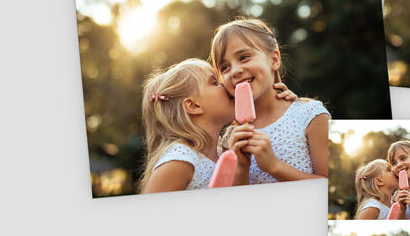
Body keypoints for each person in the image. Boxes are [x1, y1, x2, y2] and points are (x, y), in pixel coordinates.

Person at [211, 18, 329, 184]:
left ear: (274, 59)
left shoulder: (310, 116)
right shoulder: (231, 138)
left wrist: (274, 166)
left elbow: (327, 185)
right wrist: (241, 168)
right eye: (224, 68)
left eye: (244, 57)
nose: (235, 71)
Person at [139, 59, 235, 193]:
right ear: (193, 105)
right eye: (215, 83)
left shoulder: (222, 151)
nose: (225, 85)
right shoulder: (181, 159)